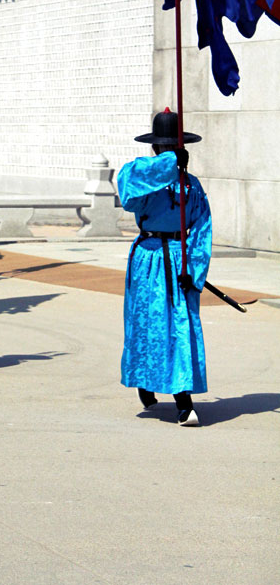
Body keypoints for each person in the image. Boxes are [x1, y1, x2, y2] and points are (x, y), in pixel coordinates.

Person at [117, 108, 212, 427]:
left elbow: (202, 226)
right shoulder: (140, 176)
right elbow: (127, 190)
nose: (170, 152)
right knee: (147, 324)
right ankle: (145, 380)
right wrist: (168, 166)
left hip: (180, 260)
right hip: (149, 257)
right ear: (156, 149)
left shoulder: (192, 185)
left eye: (175, 149)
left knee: (180, 327)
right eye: (165, 148)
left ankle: (184, 400)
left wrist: (194, 269)